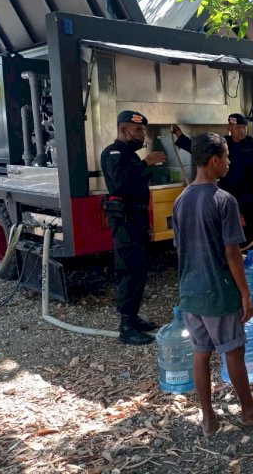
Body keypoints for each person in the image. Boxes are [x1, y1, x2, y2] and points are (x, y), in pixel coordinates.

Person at [172, 132, 253, 437]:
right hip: (218, 291)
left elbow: (181, 249)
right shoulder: (223, 200)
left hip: (190, 291)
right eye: (227, 157)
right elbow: (232, 252)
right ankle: (249, 410)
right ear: (215, 160)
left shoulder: (181, 201)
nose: (229, 163)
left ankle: (208, 418)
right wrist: (245, 293)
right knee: (233, 351)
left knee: (200, 353)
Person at [172, 114, 253, 264]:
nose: (241, 130)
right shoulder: (222, 145)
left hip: (250, 197)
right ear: (229, 128)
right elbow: (199, 150)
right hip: (226, 197)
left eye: (243, 127)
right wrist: (180, 137)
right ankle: (235, 272)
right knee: (229, 239)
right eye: (237, 127)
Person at [100, 111, 166, 345]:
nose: (142, 134)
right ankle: (126, 326)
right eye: (138, 130)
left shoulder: (130, 155)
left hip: (136, 218)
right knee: (128, 268)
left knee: (139, 267)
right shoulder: (114, 153)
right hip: (125, 221)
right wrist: (146, 162)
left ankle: (134, 317)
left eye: (143, 131)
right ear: (123, 130)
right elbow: (120, 184)